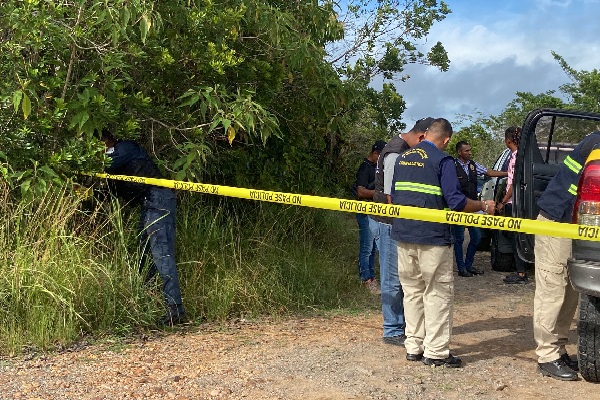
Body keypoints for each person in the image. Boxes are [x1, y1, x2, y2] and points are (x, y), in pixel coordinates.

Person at [391, 118, 495, 368]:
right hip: (432, 239)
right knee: (437, 293)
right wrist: (483, 205)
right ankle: (436, 351)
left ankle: (413, 346)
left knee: (412, 292)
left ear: (425, 134)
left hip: (404, 235)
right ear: (446, 140)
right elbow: (457, 202)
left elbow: (394, 196)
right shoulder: (442, 160)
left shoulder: (402, 158)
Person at [531, 131, 600, 381]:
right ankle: (547, 355)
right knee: (553, 288)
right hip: (557, 221)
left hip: (575, 226)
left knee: (570, 291)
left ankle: (558, 349)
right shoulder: (597, 143)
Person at [100, 129, 186, 326]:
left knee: (161, 255)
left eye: (101, 144)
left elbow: (106, 163)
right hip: (149, 204)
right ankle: (148, 306)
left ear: (108, 140)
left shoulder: (125, 148)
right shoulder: (121, 157)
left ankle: (175, 310)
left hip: (158, 201)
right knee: (144, 257)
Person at [369, 118, 432, 347]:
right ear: (422, 136)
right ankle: (393, 329)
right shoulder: (396, 153)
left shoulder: (400, 148)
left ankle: (402, 325)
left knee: (401, 275)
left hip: (392, 222)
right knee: (392, 277)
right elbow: (390, 196)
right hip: (388, 222)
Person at [453, 141, 507, 277]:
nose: (470, 153)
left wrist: (507, 173)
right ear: (459, 152)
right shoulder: (452, 166)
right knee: (459, 239)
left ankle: (469, 265)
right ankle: (461, 268)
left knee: (476, 237)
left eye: (470, 150)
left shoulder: (473, 165)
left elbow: (488, 172)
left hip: (473, 206)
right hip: (458, 207)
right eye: (466, 151)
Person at [354, 140, 387, 293]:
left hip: (374, 212)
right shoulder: (364, 168)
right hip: (365, 211)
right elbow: (360, 191)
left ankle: (371, 278)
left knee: (373, 247)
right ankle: (365, 279)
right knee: (367, 247)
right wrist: (379, 194)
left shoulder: (378, 168)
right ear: (375, 153)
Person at [496, 127, 528, 284]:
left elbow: (513, 184)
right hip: (521, 203)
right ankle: (521, 269)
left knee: (514, 237)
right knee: (516, 236)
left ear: (508, 140)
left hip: (512, 203)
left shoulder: (515, 158)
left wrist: (502, 202)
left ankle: (521, 273)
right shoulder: (523, 156)